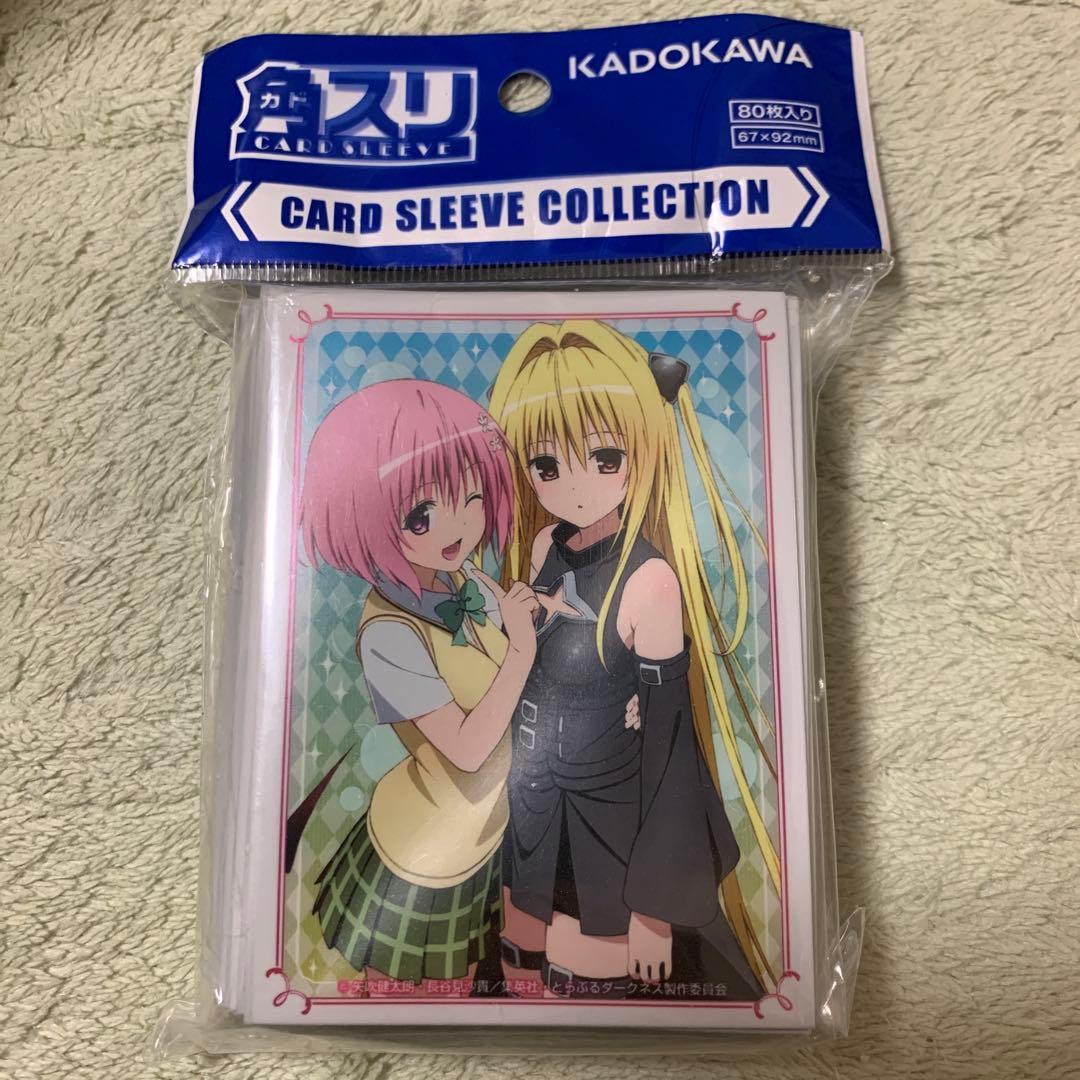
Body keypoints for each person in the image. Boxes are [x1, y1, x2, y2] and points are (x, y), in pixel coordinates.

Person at [488, 320, 777, 999]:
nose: (575, 487)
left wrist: (655, 908)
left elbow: (671, 748)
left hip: (612, 822)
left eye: (605, 457)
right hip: (533, 804)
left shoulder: (650, 582)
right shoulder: (543, 548)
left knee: (587, 982)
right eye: (546, 466)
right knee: (517, 966)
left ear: (641, 451)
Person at [300, 380, 538, 995]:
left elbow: (503, 631)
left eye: (473, 497)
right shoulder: (389, 634)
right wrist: (521, 652)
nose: (457, 526)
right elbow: (467, 747)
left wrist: (528, 611)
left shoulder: (464, 577)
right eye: (421, 515)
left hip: (491, 831)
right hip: (422, 853)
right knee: (420, 999)